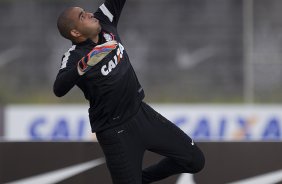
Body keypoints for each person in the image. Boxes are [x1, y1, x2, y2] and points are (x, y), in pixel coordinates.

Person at [53, 0, 205, 183]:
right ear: (75, 32)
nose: (89, 14)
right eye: (82, 16)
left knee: (194, 160)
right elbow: (59, 88)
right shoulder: (74, 56)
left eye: (85, 11)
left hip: (140, 114)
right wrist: (84, 64)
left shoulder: (104, 22)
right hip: (114, 131)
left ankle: (142, 179)